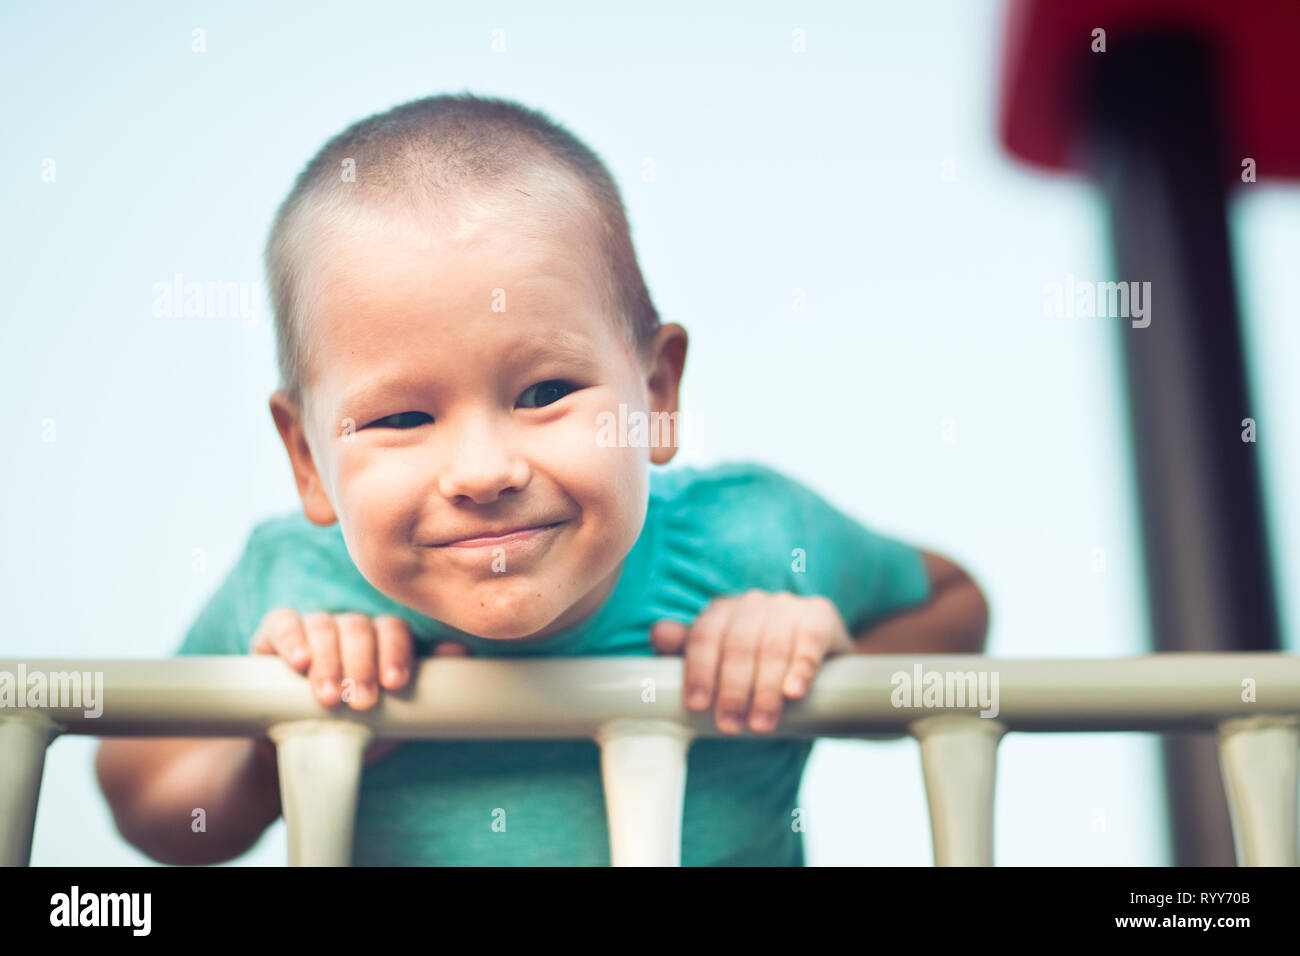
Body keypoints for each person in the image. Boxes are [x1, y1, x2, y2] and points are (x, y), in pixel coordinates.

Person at [96, 92, 989, 866]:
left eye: (546, 392)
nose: (483, 473)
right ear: (307, 460)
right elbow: (141, 794)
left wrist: (826, 659)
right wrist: (275, 743)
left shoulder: (750, 537)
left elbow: (957, 606)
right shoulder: (292, 591)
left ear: (658, 394)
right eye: (403, 418)